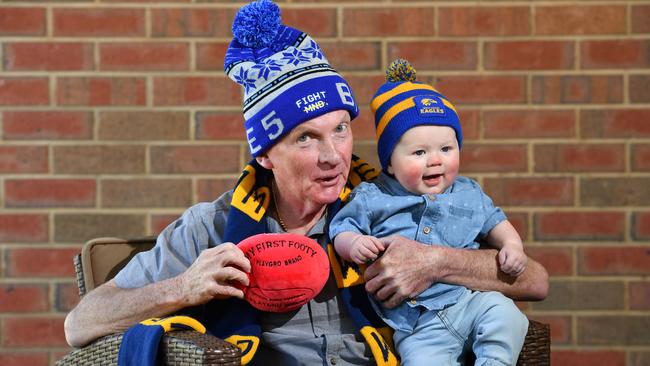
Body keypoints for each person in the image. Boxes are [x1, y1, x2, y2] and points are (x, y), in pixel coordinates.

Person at [64, 1, 548, 365]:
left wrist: (436, 261)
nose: (333, 155)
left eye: (341, 129)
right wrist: (185, 286)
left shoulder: (390, 202)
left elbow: (533, 280)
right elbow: (80, 324)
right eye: (305, 138)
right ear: (266, 154)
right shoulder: (211, 228)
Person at [330, 59, 529, 365]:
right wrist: (353, 243)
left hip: (469, 302)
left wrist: (512, 245)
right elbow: (342, 227)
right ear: (390, 164)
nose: (435, 160)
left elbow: (495, 221)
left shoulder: (468, 192)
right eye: (419, 152)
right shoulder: (373, 196)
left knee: (507, 317)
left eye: (446, 149)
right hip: (416, 325)